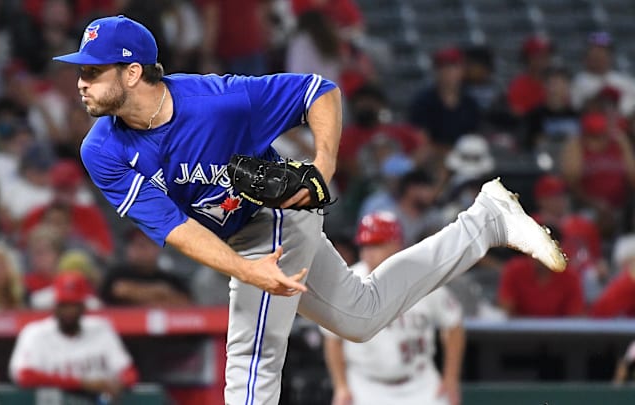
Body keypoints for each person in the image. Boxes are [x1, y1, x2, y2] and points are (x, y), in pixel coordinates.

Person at [52, 15, 565, 404]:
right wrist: (246, 268)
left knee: (252, 353)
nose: (81, 81)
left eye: (93, 71)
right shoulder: (102, 149)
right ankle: (487, 221)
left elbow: (318, 91)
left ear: (133, 71)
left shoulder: (219, 101)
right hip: (233, 237)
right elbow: (175, 228)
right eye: (80, 71)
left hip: (273, 210)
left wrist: (322, 164)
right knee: (360, 316)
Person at [323, 212, 465, 405]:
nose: (368, 252)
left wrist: (450, 378)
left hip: (420, 382)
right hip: (366, 384)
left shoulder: (422, 277)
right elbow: (332, 340)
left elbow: (454, 326)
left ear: (396, 245)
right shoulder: (349, 283)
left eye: (376, 244)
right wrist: (341, 386)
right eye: (364, 245)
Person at [9, 272, 138, 401]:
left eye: (73, 305)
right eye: (63, 305)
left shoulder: (101, 329)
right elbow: (24, 376)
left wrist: (120, 384)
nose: (68, 311)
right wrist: (82, 384)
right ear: (55, 305)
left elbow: (129, 373)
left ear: (83, 306)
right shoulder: (35, 333)